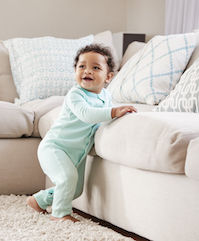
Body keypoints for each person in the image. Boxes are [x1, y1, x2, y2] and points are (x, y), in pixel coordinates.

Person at [27, 43, 137, 222]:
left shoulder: (106, 97)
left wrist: (118, 113)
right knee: (67, 178)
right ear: (75, 71)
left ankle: (39, 200)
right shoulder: (75, 95)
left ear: (108, 77)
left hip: (77, 154)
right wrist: (114, 112)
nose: (88, 71)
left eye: (95, 67)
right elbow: (87, 114)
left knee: (75, 190)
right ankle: (60, 214)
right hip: (55, 147)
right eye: (82, 66)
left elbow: (104, 117)